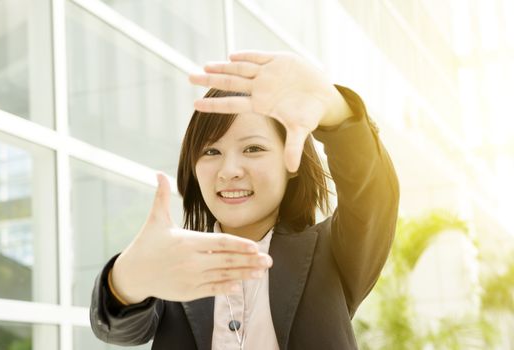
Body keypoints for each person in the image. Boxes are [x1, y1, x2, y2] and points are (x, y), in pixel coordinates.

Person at [90, 51, 399, 349]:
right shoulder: (178, 261)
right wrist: (126, 278)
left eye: (253, 149)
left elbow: (370, 196)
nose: (229, 171)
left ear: (291, 162)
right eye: (211, 152)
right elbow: (120, 330)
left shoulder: (329, 255)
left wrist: (334, 109)